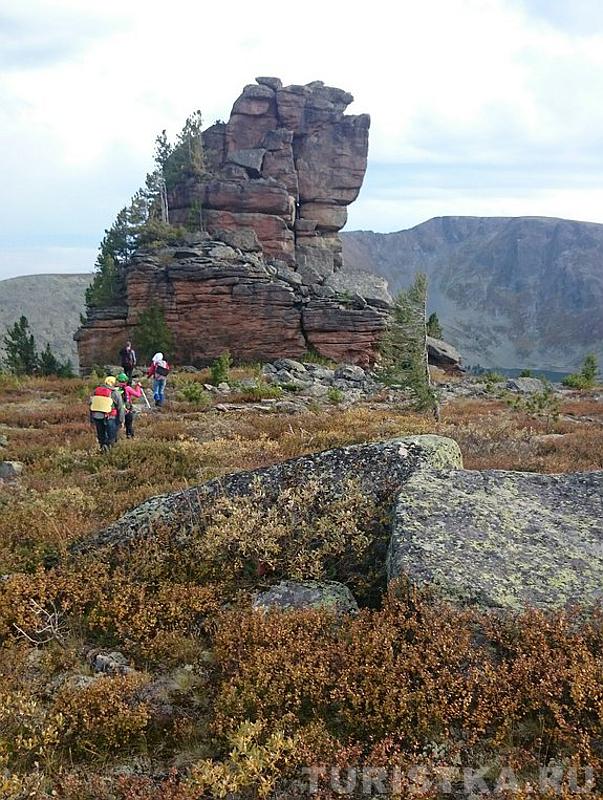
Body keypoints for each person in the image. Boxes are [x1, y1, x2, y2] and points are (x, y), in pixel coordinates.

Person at [89, 376, 125, 452]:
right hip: (110, 417)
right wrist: (121, 421)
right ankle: (110, 454)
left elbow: (91, 406)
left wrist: (92, 420)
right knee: (111, 438)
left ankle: (103, 451)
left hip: (97, 417)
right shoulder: (115, 393)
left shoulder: (96, 391)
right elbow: (120, 408)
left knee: (101, 437)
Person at [117, 372, 143, 438]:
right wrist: (138, 386)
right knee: (129, 425)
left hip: (118, 410)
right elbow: (138, 395)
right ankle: (130, 436)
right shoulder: (128, 388)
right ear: (126, 381)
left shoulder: (115, 390)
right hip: (128, 409)